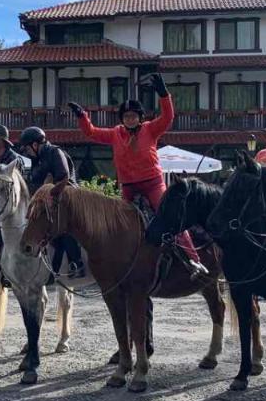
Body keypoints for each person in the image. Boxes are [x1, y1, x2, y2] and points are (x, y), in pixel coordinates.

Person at [68, 73, 204, 278]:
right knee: (117, 223)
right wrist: (82, 116)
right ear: (122, 119)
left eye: (133, 116)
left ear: (140, 118)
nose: (129, 119)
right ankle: (118, 260)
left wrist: (163, 94)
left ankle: (194, 260)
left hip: (153, 184)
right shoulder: (115, 133)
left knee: (171, 216)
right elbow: (91, 133)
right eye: (126, 116)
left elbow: (168, 117)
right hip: (128, 187)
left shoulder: (150, 129)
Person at [19, 126, 84, 278]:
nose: (27, 153)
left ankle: (77, 263)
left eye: (27, 148)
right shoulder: (38, 159)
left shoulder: (55, 152)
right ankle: (51, 268)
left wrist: (50, 194)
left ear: (35, 145)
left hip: (67, 194)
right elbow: (35, 181)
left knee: (65, 226)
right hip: (50, 199)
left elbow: (64, 176)